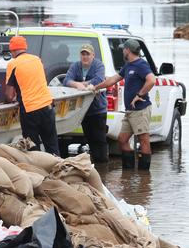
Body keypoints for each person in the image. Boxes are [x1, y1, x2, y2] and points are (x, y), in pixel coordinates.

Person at [92, 38, 156, 170]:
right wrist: (96, 87)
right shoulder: (128, 65)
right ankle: (129, 172)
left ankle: (144, 176)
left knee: (143, 139)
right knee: (122, 139)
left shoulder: (141, 64)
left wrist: (140, 95)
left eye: (123, 49)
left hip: (141, 109)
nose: (122, 51)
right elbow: (114, 79)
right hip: (130, 111)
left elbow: (151, 80)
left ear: (128, 50)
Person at [5, 36, 59, 156]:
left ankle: (37, 173)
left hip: (30, 110)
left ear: (12, 50)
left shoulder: (13, 64)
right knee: (52, 145)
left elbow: (9, 95)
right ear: (24, 47)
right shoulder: (37, 59)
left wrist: (12, 99)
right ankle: (58, 168)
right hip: (47, 106)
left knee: (33, 148)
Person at [64, 43, 108, 163]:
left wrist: (82, 84)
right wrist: (77, 84)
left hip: (97, 110)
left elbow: (99, 79)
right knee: (89, 139)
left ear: (93, 55)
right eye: (83, 54)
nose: (85, 57)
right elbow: (66, 80)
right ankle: (94, 165)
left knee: (100, 139)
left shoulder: (99, 65)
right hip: (83, 111)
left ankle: (103, 165)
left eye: (87, 54)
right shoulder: (75, 66)